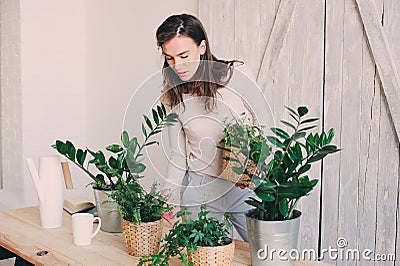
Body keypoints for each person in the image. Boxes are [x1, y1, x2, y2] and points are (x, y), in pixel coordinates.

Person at [156, 13, 256, 242]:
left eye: (183, 56)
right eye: (169, 58)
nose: (177, 66)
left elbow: (259, 128)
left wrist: (256, 167)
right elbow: (178, 154)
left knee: (268, 254)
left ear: (202, 47)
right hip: (200, 190)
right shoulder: (173, 96)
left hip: (244, 188)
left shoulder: (236, 75)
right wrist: (167, 197)